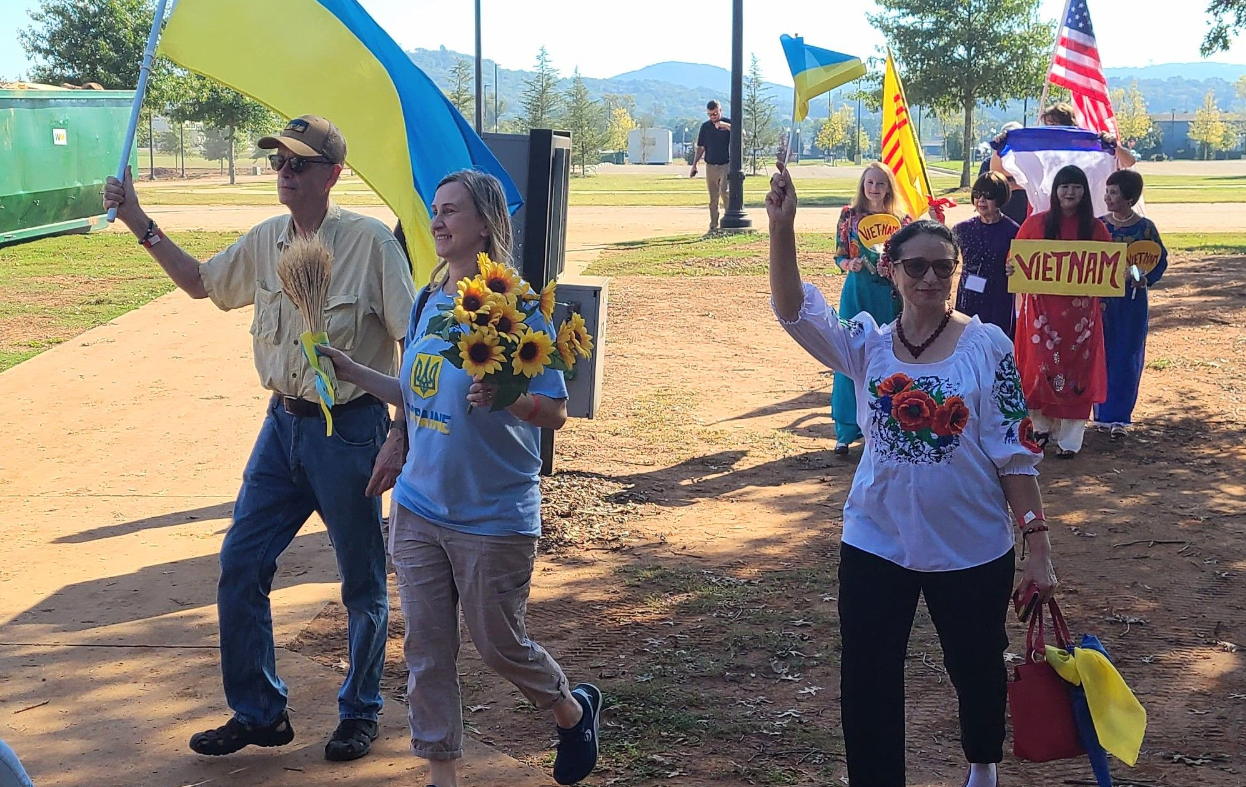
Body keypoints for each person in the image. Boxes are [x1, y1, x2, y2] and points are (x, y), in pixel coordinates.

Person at [103, 115, 415, 761]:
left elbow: (413, 345)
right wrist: (138, 218)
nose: (285, 171)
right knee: (241, 565)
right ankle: (259, 710)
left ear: (332, 173)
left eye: (299, 163)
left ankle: (361, 709)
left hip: (352, 431)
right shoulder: (266, 239)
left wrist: (400, 434)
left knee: (362, 583)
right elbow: (200, 284)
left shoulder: (370, 244)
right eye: (278, 160)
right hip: (282, 428)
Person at [767, 163, 1057, 787]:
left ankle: (982, 763)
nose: (930, 277)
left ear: (956, 273)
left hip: (973, 545)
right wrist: (782, 230)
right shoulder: (866, 344)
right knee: (868, 676)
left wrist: (1038, 546)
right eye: (916, 266)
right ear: (891, 272)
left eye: (942, 267)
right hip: (877, 539)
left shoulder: (989, 347)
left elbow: (1015, 453)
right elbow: (794, 312)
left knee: (976, 663)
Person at [317, 170, 602, 787]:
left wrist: (508, 397)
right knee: (426, 651)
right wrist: (352, 371)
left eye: (451, 212)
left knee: (500, 645)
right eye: (435, 211)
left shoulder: (519, 306)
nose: (438, 222)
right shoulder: (427, 301)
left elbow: (554, 411)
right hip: (421, 507)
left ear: (484, 223)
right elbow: (415, 396)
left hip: (493, 513)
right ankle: (441, 776)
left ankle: (570, 709)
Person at [1012, 165, 1113, 456]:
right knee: (1041, 368)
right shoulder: (1036, 224)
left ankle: (1070, 440)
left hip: (1081, 319)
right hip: (1042, 315)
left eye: (1076, 187)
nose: (1070, 192)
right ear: (1055, 191)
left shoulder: (1096, 228)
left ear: (1085, 191)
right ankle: (1041, 429)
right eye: (1064, 186)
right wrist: (1012, 267)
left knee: (1076, 373)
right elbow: (1016, 259)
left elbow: (1106, 268)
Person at [830, 162, 910, 454]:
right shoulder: (848, 216)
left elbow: (913, 253)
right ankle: (846, 428)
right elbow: (839, 254)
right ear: (863, 186)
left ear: (889, 187)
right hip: (857, 293)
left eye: (881, 183)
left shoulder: (902, 220)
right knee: (850, 356)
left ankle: (890, 422)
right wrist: (848, 263)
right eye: (870, 183)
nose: (875, 189)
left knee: (890, 356)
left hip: (890, 295)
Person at [1094, 170, 1168, 436]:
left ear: (1130, 197)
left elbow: (1158, 260)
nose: (1108, 197)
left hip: (1132, 303)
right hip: (1102, 303)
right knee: (1102, 354)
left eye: (1114, 192)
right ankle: (1100, 414)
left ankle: (1120, 417)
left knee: (1127, 355)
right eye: (1107, 191)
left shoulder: (1145, 228)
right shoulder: (1099, 225)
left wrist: (1143, 279)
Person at [954, 172, 1020, 338]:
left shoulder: (1013, 231)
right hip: (968, 294)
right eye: (977, 195)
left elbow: (1023, 266)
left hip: (999, 296)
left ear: (1000, 198)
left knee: (997, 341)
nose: (981, 200)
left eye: (988, 195)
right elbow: (941, 251)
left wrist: (1015, 268)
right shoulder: (961, 229)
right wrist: (938, 221)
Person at [690, 99, 732, 232]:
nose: (712, 117)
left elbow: (742, 134)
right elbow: (701, 147)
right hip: (710, 165)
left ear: (720, 110)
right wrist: (694, 164)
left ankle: (729, 220)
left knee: (725, 192)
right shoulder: (705, 127)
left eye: (714, 114)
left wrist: (725, 126)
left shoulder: (728, 123)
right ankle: (714, 225)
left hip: (725, 164)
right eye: (710, 114)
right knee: (713, 197)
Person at [977, 121, 1029, 225]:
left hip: (1024, 217)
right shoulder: (988, 163)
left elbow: (1033, 184)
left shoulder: (1027, 162)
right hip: (998, 217)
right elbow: (984, 189)